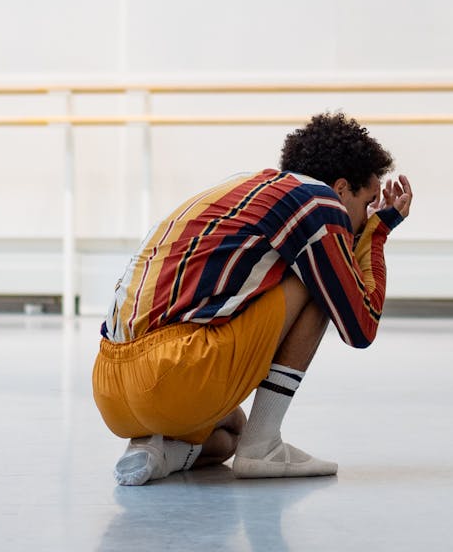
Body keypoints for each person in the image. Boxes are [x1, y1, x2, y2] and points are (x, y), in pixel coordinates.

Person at [92, 111, 412, 485]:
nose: (364, 216)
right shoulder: (321, 203)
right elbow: (361, 326)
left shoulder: (243, 186)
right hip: (173, 375)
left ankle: (158, 452)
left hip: (110, 389)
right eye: (368, 202)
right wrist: (378, 232)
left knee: (229, 435)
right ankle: (263, 447)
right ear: (341, 188)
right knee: (322, 275)